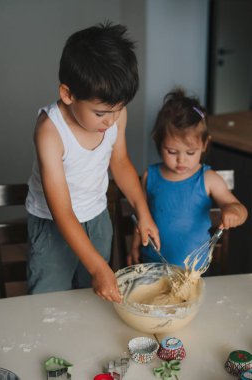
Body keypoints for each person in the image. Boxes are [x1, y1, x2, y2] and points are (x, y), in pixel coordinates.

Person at [25, 22, 159, 302]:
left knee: (93, 297)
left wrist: (142, 211)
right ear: (68, 94)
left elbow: (120, 162)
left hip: (97, 218)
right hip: (53, 224)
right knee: (49, 301)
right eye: (101, 113)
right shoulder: (50, 132)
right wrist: (99, 265)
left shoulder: (114, 113)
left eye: (119, 109)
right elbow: (61, 210)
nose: (111, 121)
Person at [127, 88, 248, 268]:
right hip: (153, 265)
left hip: (194, 270)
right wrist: (135, 245)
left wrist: (233, 212)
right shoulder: (150, 176)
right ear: (158, 142)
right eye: (172, 151)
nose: (181, 160)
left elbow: (240, 209)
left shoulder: (208, 179)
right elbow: (142, 216)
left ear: (204, 144)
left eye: (190, 152)